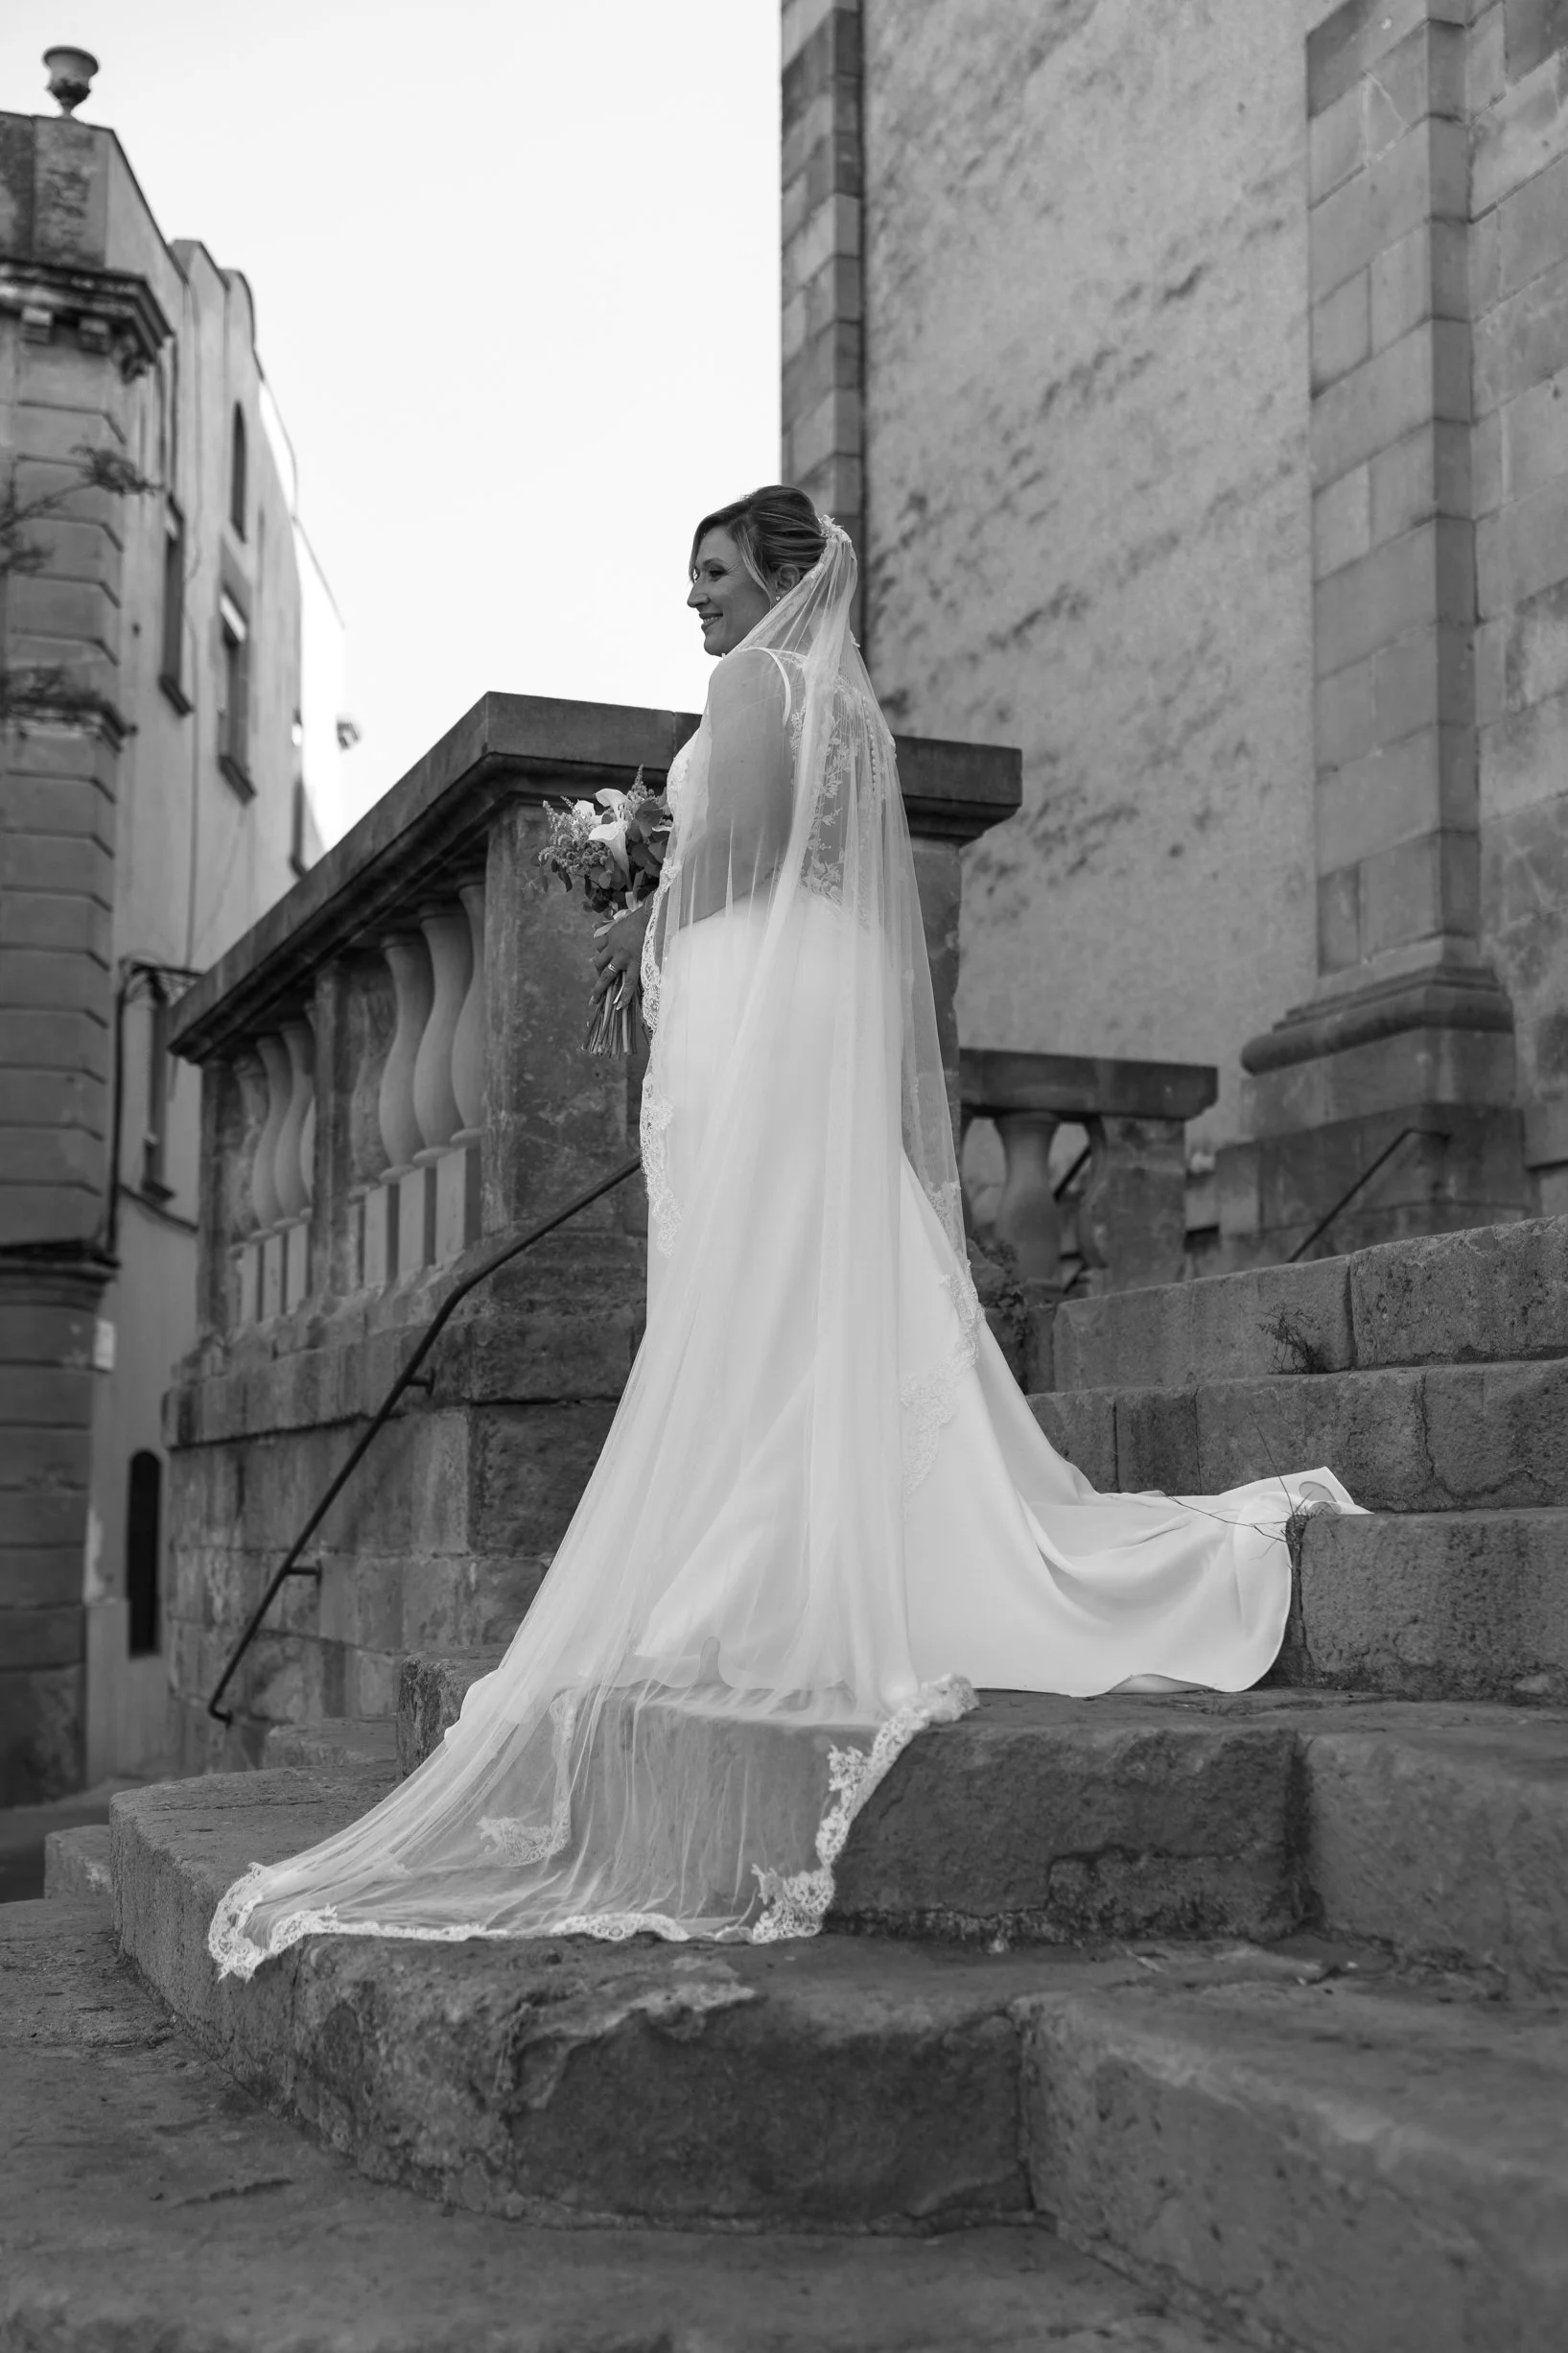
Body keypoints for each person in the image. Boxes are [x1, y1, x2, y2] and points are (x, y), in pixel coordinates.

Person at [211, 488, 1354, 1977]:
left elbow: (738, 850)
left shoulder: (752, 682)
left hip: (753, 989)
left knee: (759, 1273)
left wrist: (640, 908)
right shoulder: (842, 706)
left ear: (774, 581)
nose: (693, 599)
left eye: (714, 572)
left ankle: (767, 1560)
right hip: (800, 985)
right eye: (687, 576)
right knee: (814, 1262)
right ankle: (822, 1528)